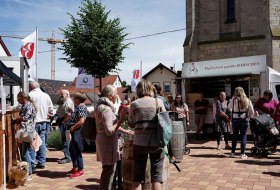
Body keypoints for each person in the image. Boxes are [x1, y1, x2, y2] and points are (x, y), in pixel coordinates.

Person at [128, 79, 166, 190]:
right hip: (156, 142)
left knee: (138, 176)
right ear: (150, 89)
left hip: (139, 142)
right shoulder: (158, 102)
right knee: (156, 176)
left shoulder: (134, 104)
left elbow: (130, 124)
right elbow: (164, 122)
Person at [95, 85, 132, 190]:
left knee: (107, 170)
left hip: (102, 140)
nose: (117, 95)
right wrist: (121, 119)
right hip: (108, 143)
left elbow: (106, 126)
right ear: (110, 96)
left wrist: (124, 130)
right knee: (109, 171)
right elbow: (110, 130)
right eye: (116, 93)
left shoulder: (99, 106)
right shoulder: (106, 109)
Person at [29, 80, 53, 169]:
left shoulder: (30, 95)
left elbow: (22, 106)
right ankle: (42, 162)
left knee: (32, 142)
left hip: (34, 122)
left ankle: (33, 162)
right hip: (44, 122)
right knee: (41, 142)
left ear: (31, 87)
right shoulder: (45, 95)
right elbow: (51, 109)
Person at [14, 92, 36, 181]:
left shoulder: (28, 106)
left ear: (23, 97)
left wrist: (16, 119)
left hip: (27, 131)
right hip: (26, 130)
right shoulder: (25, 105)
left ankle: (29, 172)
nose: (17, 100)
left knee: (25, 153)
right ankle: (30, 169)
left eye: (18, 98)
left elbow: (25, 118)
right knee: (26, 151)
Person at [228, 87, 254, 159]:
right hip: (244, 118)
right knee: (243, 136)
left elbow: (229, 107)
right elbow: (252, 111)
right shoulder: (247, 100)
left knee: (234, 136)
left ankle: (233, 153)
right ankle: (242, 154)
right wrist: (250, 117)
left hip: (235, 118)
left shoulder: (233, 100)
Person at [66, 92, 88, 178]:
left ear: (78, 99)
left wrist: (73, 128)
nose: (73, 100)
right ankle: (75, 167)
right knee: (72, 149)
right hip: (75, 130)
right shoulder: (79, 106)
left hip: (77, 130)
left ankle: (80, 169)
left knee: (77, 150)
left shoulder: (81, 106)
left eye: (74, 98)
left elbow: (82, 121)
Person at [56, 90, 75, 164]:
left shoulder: (68, 102)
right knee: (65, 139)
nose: (60, 95)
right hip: (64, 121)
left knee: (67, 139)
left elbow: (69, 114)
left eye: (62, 94)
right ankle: (67, 156)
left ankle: (68, 157)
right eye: (60, 94)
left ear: (67, 94)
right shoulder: (64, 101)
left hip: (66, 122)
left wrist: (63, 121)